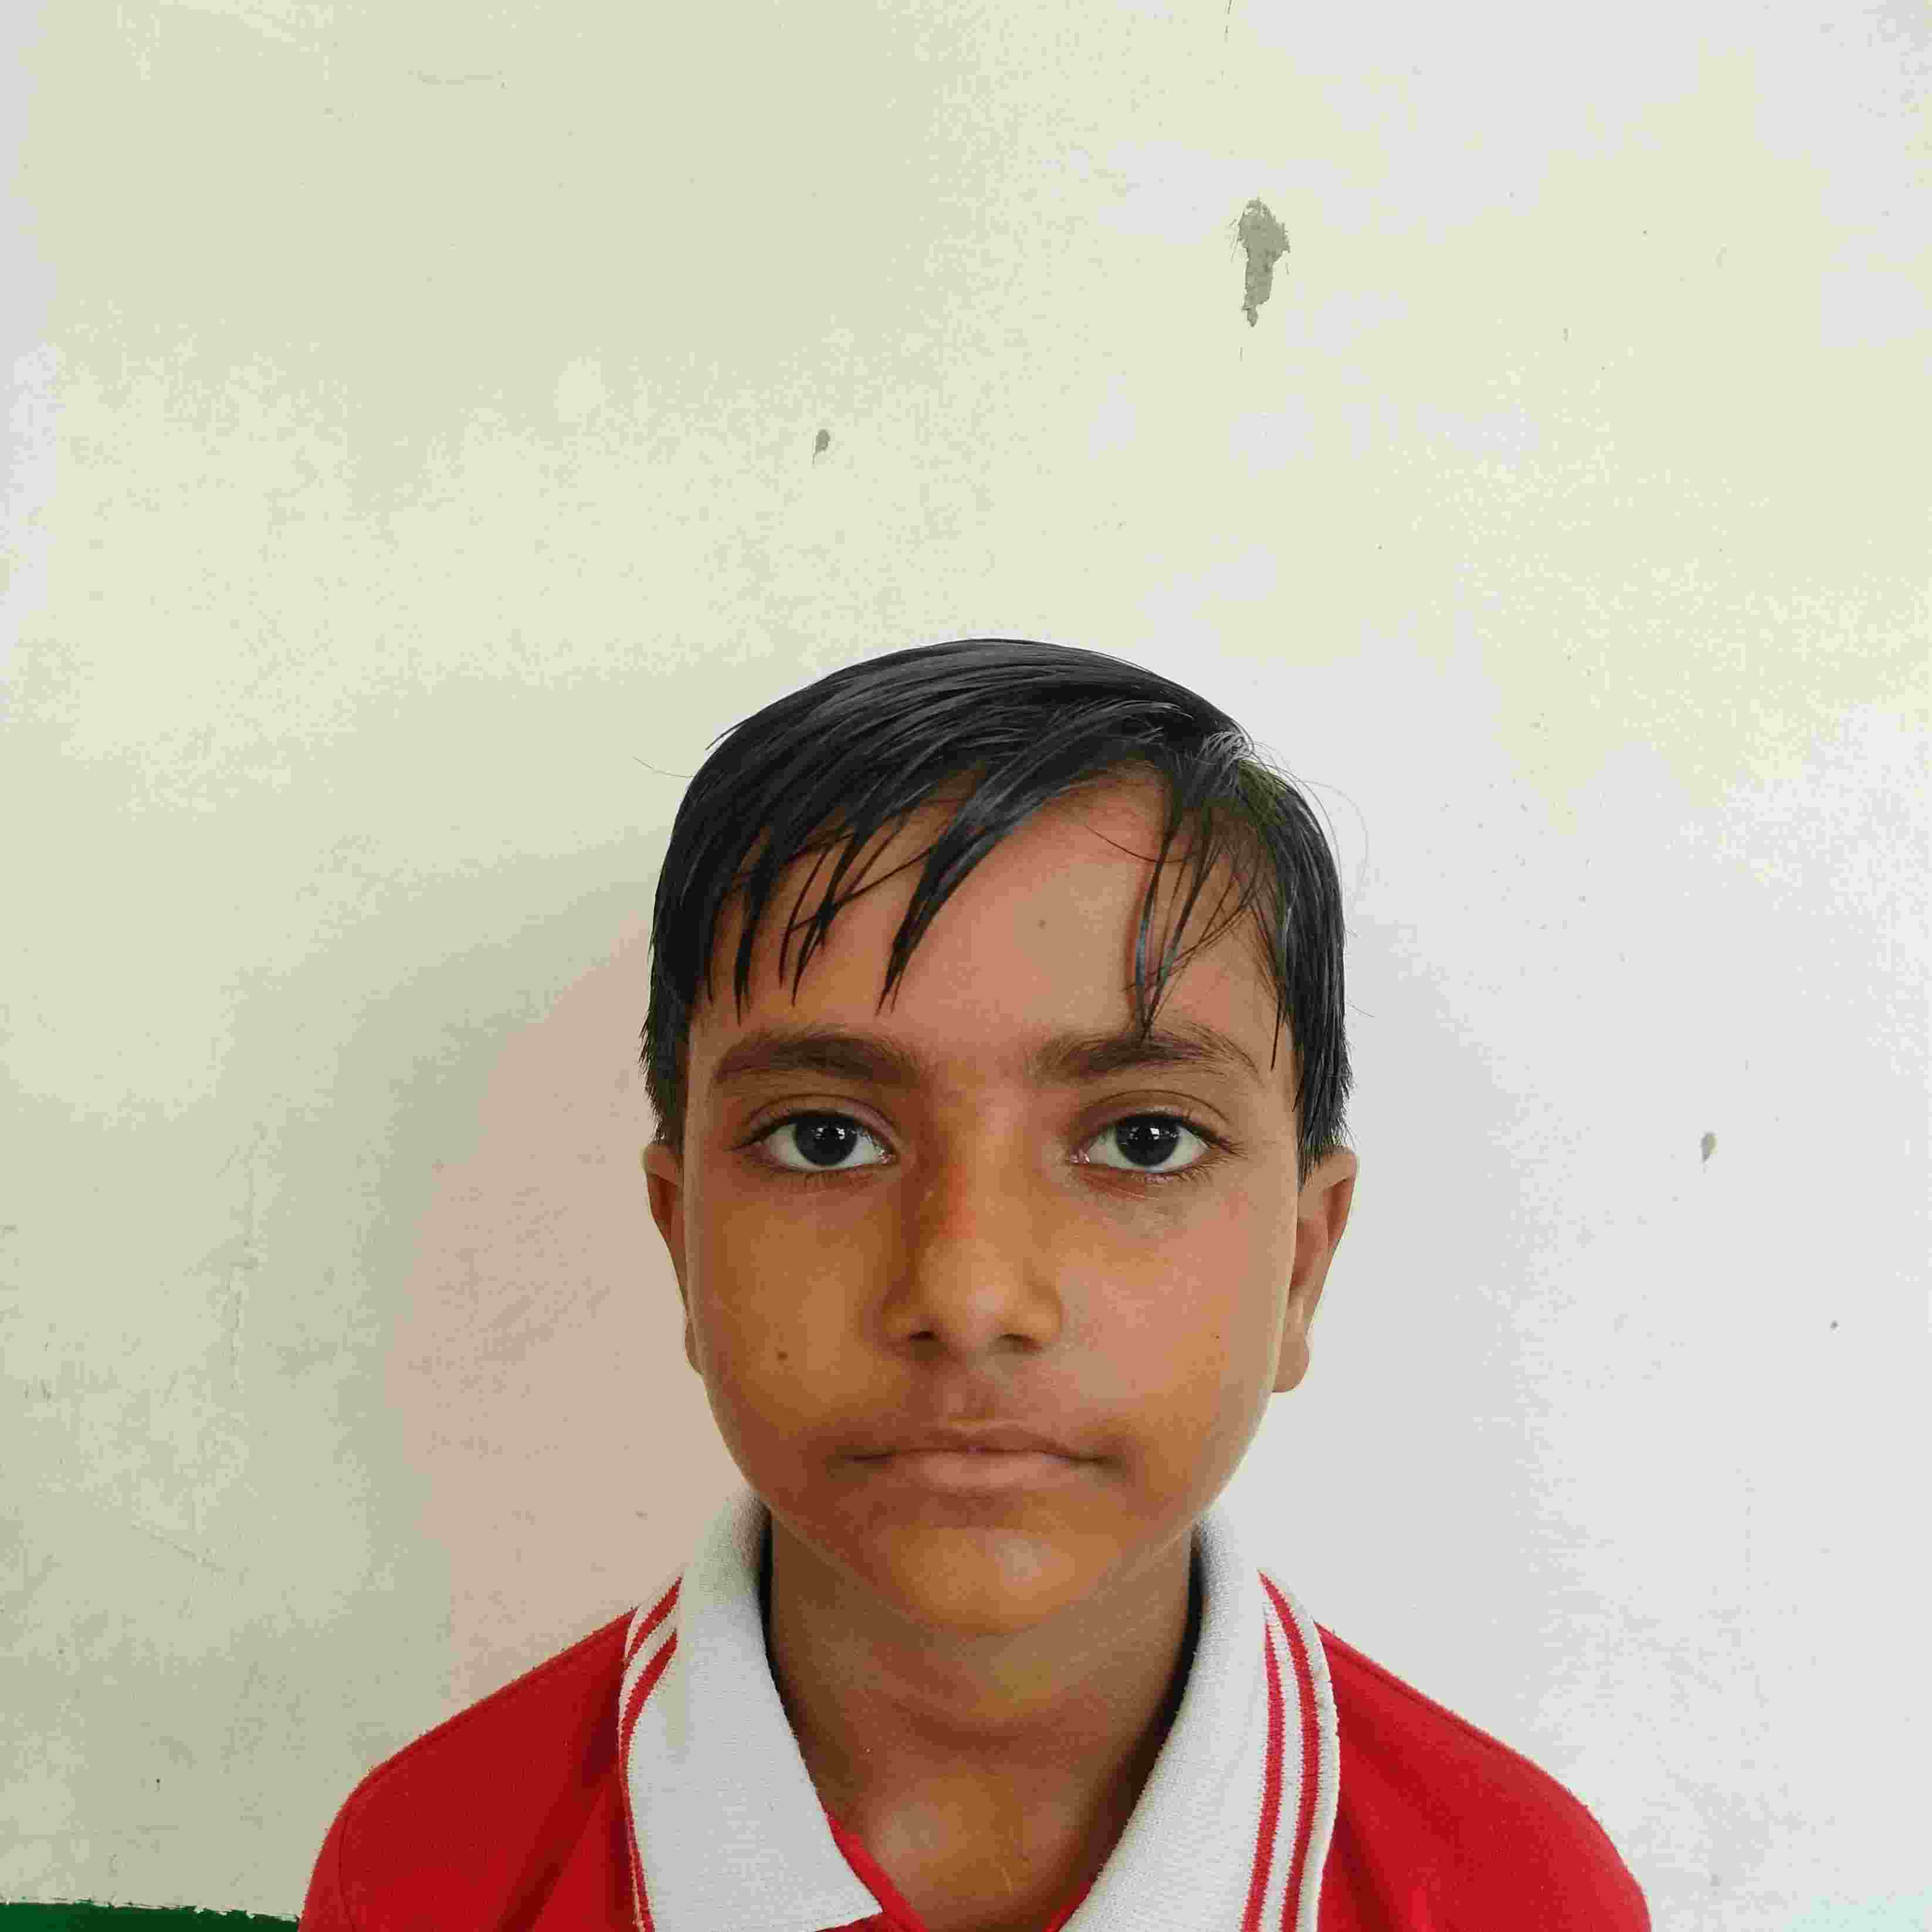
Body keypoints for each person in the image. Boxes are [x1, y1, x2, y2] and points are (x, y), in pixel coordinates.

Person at [298, 638, 1649, 1930]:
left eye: (1145, 1140)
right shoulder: (428, 1882)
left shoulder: (1517, 1901)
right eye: (825, 1139)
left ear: (1303, 1260)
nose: (970, 1294)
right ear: (682, 1242)